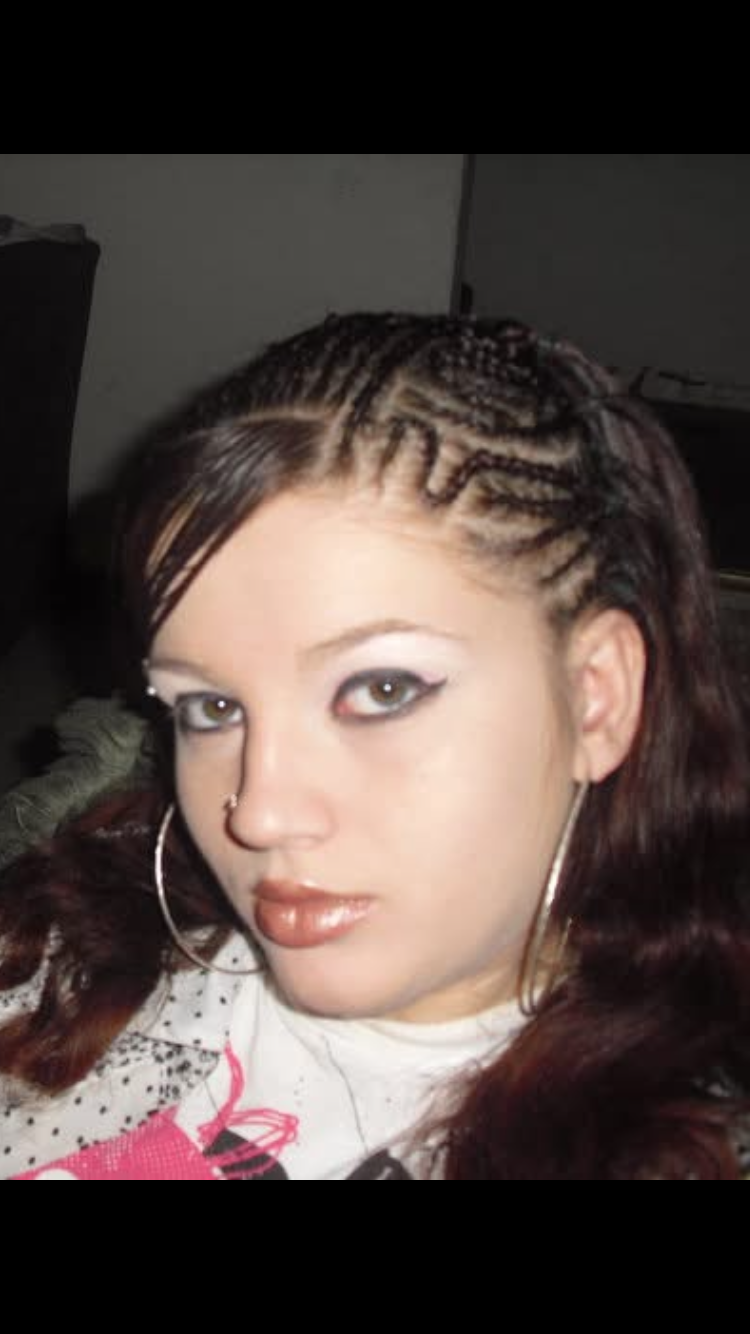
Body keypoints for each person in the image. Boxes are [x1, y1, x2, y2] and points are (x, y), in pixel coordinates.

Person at [1, 312, 748, 1180]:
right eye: (210, 707)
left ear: (596, 698)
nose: (259, 813)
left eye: (380, 690)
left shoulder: (689, 1150)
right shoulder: (58, 952)